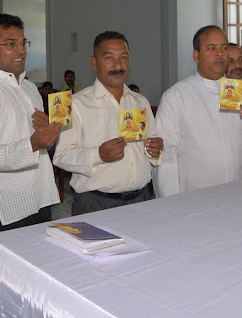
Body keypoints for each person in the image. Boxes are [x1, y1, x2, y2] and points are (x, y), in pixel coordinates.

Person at [0, 14, 60, 237]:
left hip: (40, 195)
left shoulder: (29, 88)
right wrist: (33, 144)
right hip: (6, 205)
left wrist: (46, 130)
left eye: (23, 43)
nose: (21, 50)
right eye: (10, 44)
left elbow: (40, 140)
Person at [54, 31, 163, 215]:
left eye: (124, 57)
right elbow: (61, 156)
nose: (118, 65)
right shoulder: (71, 103)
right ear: (94, 62)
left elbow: (149, 148)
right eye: (109, 58)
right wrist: (98, 154)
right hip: (95, 204)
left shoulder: (140, 101)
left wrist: (154, 150)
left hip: (142, 200)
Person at [154, 26, 242, 197]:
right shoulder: (176, 96)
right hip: (194, 195)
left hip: (239, 191)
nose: (219, 53)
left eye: (224, 48)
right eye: (211, 48)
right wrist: (170, 201)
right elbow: (166, 155)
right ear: (196, 55)